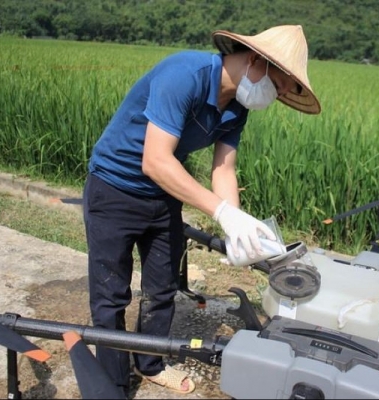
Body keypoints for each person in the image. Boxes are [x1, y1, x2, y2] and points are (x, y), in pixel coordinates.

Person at [82, 24, 321, 396]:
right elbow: (155, 161)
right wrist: (221, 212)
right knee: (111, 295)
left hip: (163, 197)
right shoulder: (184, 75)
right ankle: (112, 382)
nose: (277, 96)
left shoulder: (236, 107)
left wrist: (236, 224)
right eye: (279, 86)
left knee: (162, 289)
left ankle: (151, 363)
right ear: (256, 61)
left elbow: (223, 168)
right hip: (115, 189)